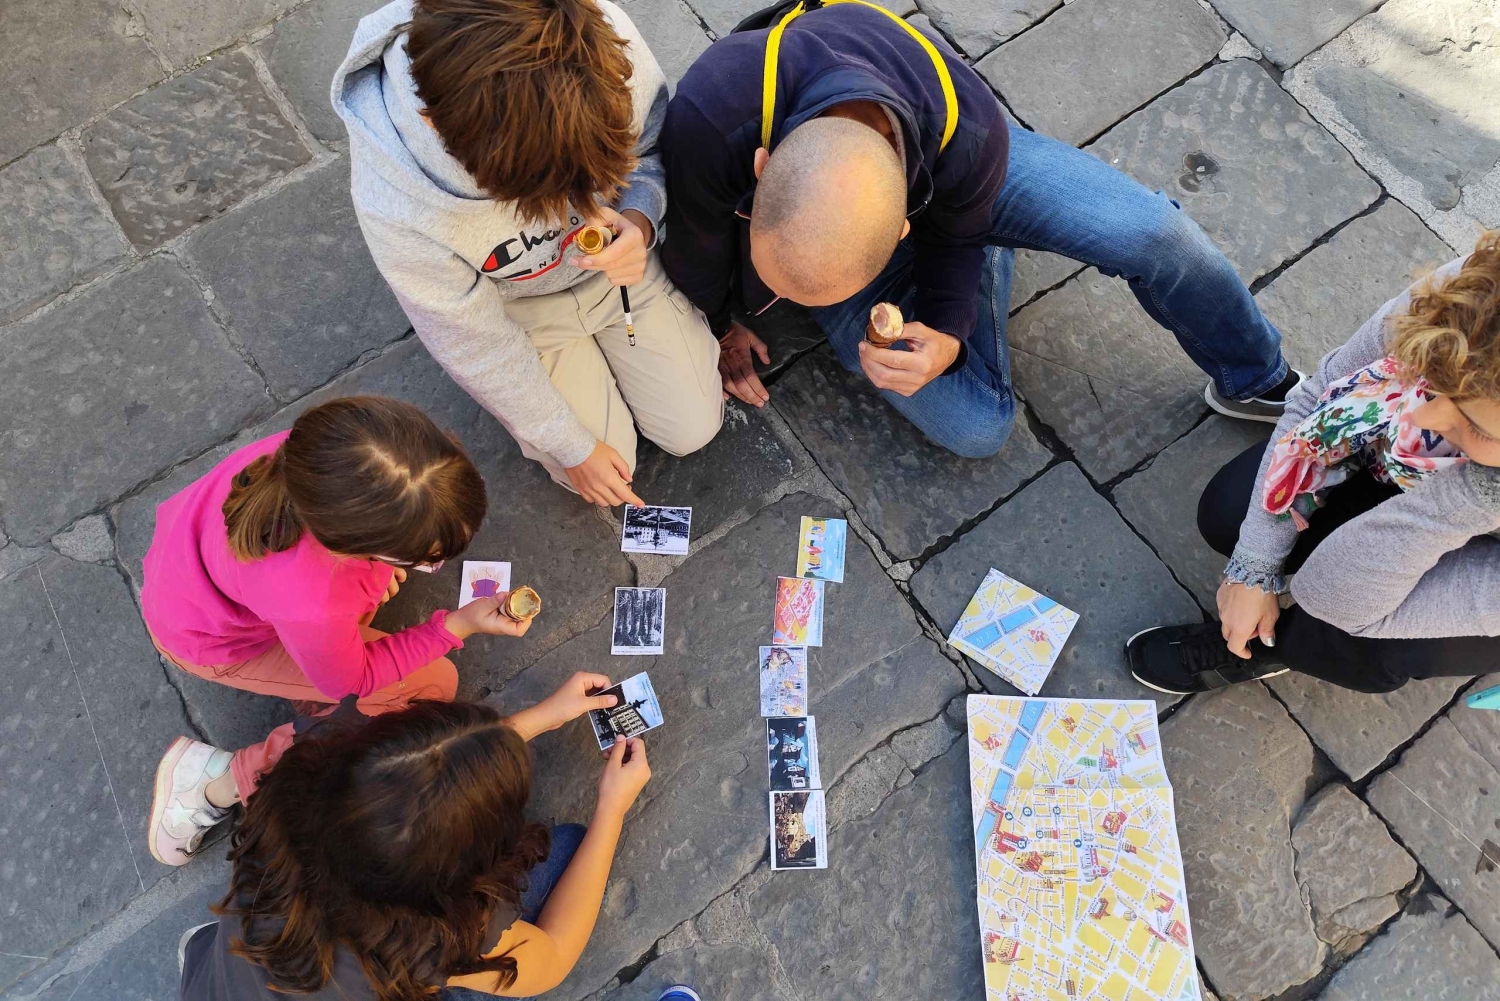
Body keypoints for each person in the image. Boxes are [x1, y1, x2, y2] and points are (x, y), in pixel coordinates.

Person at [659, 0, 1302, 458]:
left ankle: (1257, 378)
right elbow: (695, 249)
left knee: (1153, 233)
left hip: (963, 175)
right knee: (978, 429)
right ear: (761, 168)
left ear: (903, 228)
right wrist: (720, 323)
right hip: (900, 202)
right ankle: (983, 256)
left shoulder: (970, 129)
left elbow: (954, 232)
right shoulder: (710, 115)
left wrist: (945, 330)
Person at [333, 0, 724, 508]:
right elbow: (472, 344)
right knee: (605, 461)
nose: (573, 206)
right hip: (518, 312)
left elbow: (648, 149)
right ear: (434, 126)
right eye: (537, 190)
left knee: (693, 430)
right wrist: (570, 447)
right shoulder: (396, 202)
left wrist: (640, 219)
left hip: (622, 277)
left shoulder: (604, 48)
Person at [143, 396, 528, 866]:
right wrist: (457, 624)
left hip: (188, 577)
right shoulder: (314, 599)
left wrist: (381, 571)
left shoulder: (332, 456)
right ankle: (214, 782)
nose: (434, 564)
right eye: (427, 558)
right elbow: (354, 680)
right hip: (212, 643)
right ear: (353, 544)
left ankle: (313, 672)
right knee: (431, 686)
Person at [1128, 235, 1500, 695]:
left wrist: (1479, 492)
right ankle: (1268, 616)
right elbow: (1321, 391)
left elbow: (1334, 595)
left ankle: (1270, 647)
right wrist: (1254, 567)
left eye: (1476, 424)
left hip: (1478, 533)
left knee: (1373, 643)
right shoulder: (1482, 295)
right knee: (1230, 514)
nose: (1424, 415)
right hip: (1392, 465)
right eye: (1434, 381)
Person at [174, 687, 652, 999]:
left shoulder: (294, 791)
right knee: (571, 846)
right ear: (453, 878)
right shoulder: (430, 940)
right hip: (330, 975)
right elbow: (552, 959)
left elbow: (406, 782)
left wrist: (518, 729)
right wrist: (611, 809)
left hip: (228, 977)